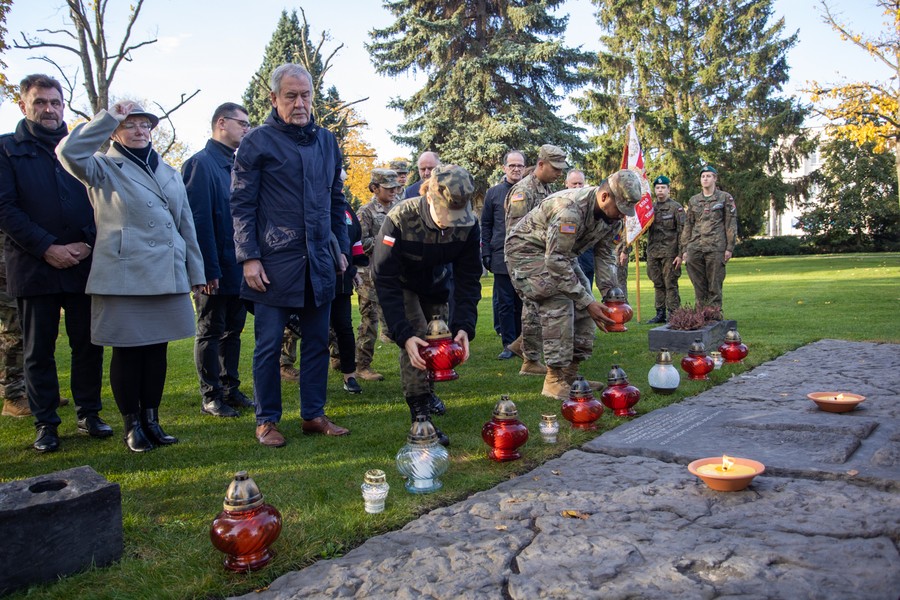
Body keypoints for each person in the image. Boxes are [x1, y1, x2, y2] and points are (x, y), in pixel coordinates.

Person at [57, 99, 205, 452]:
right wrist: (108, 117)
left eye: (144, 125)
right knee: (128, 352)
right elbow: (67, 151)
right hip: (125, 274)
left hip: (166, 274)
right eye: (129, 124)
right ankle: (132, 425)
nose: (139, 130)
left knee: (157, 351)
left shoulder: (169, 172)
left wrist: (196, 272)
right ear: (115, 131)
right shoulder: (102, 167)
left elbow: (186, 225)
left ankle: (152, 420)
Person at [231, 63, 351, 448]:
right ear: (274, 98)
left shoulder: (327, 141)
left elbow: (337, 200)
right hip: (274, 261)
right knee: (268, 345)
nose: (300, 104)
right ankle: (266, 420)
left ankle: (313, 415)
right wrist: (249, 257)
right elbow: (241, 204)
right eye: (291, 96)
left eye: (306, 96)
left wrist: (341, 247)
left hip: (320, 261)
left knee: (317, 341)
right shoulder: (257, 142)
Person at [0, 74, 108, 452]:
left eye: (55, 102)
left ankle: (89, 413)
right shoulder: (6, 149)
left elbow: (102, 203)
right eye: (40, 102)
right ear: (23, 105)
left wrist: (88, 244)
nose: (49, 109)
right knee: (38, 350)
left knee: (88, 344)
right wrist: (48, 247)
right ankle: (46, 422)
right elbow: (6, 209)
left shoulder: (79, 150)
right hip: (33, 266)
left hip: (82, 263)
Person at [506, 170, 642, 400]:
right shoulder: (568, 210)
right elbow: (554, 261)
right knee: (557, 300)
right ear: (605, 196)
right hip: (526, 253)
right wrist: (588, 302)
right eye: (619, 208)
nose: (621, 215)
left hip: (562, 255)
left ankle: (570, 375)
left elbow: (606, 255)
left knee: (585, 303)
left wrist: (612, 295)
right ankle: (553, 380)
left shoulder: (612, 218)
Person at [373, 165, 481, 447]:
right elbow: (383, 277)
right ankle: (420, 413)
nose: (452, 221)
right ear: (431, 199)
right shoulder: (400, 218)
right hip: (402, 283)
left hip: (437, 284)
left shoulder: (469, 223)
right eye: (447, 213)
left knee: (440, 338)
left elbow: (469, 278)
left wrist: (464, 326)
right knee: (418, 339)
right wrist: (403, 333)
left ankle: (428, 392)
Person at [182, 102, 254, 418]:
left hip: (236, 268)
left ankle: (230, 388)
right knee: (210, 331)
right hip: (213, 269)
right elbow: (198, 222)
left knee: (233, 332)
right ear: (221, 123)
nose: (247, 129)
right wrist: (206, 269)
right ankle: (211, 394)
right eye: (243, 123)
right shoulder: (200, 164)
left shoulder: (235, 165)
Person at [504, 144, 568, 377]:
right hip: (524, 257)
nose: (559, 173)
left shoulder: (545, 188)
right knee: (534, 305)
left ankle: (524, 349)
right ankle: (530, 360)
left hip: (540, 256)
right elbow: (516, 233)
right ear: (541, 164)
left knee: (537, 306)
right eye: (555, 167)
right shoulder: (524, 191)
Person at [356, 168, 402, 381]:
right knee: (369, 319)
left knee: (398, 316)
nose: (394, 190)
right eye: (388, 187)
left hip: (393, 272)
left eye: (395, 187)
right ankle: (362, 365)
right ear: (375, 188)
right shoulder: (365, 212)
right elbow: (358, 242)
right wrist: (385, 242)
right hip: (369, 274)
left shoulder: (399, 208)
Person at [480, 150, 525, 360]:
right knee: (505, 303)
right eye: (512, 165)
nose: (516, 169)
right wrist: (486, 252)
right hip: (501, 255)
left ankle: (522, 343)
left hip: (526, 255)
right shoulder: (494, 193)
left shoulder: (529, 191)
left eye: (520, 166)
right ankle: (508, 344)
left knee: (523, 302)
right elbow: (486, 225)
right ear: (504, 167)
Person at [680, 165, 737, 309]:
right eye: (703, 176)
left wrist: (729, 247)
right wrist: (685, 249)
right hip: (695, 246)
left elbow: (730, 223)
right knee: (698, 282)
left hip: (716, 246)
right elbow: (688, 225)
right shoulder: (694, 200)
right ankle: (701, 313)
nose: (705, 179)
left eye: (708, 176)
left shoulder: (724, 198)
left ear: (715, 179)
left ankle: (714, 314)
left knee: (714, 282)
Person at [332, 199, 367, 394]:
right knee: (317, 331)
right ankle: (314, 379)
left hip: (342, 279)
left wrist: (354, 270)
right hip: (317, 275)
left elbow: (354, 238)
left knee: (344, 328)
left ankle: (349, 376)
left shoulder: (345, 208)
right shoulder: (317, 200)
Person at [646, 175, 685, 323]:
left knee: (670, 284)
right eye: (657, 188)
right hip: (653, 252)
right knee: (657, 283)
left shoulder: (676, 208)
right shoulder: (650, 209)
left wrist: (681, 254)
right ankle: (660, 312)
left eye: (663, 188)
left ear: (669, 189)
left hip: (670, 252)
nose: (660, 190)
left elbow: (683, 232)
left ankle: (673, 313)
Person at [0, 233, 27, 417]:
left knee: (34, 332)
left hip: (21, 266)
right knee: (14, 335)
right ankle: (13, 396)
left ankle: (36, 391)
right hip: (5, 272)